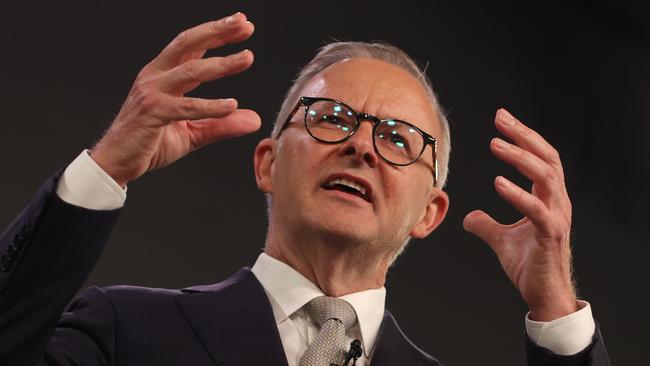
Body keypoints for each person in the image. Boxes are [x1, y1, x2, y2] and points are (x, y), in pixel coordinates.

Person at [0, 12, 609, 366]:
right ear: (267, 163)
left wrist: (555, 306)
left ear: (430, 211)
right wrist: (104, 168)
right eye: (333, 119)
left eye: (398, 140)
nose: (362, 146)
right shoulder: (122, 330)